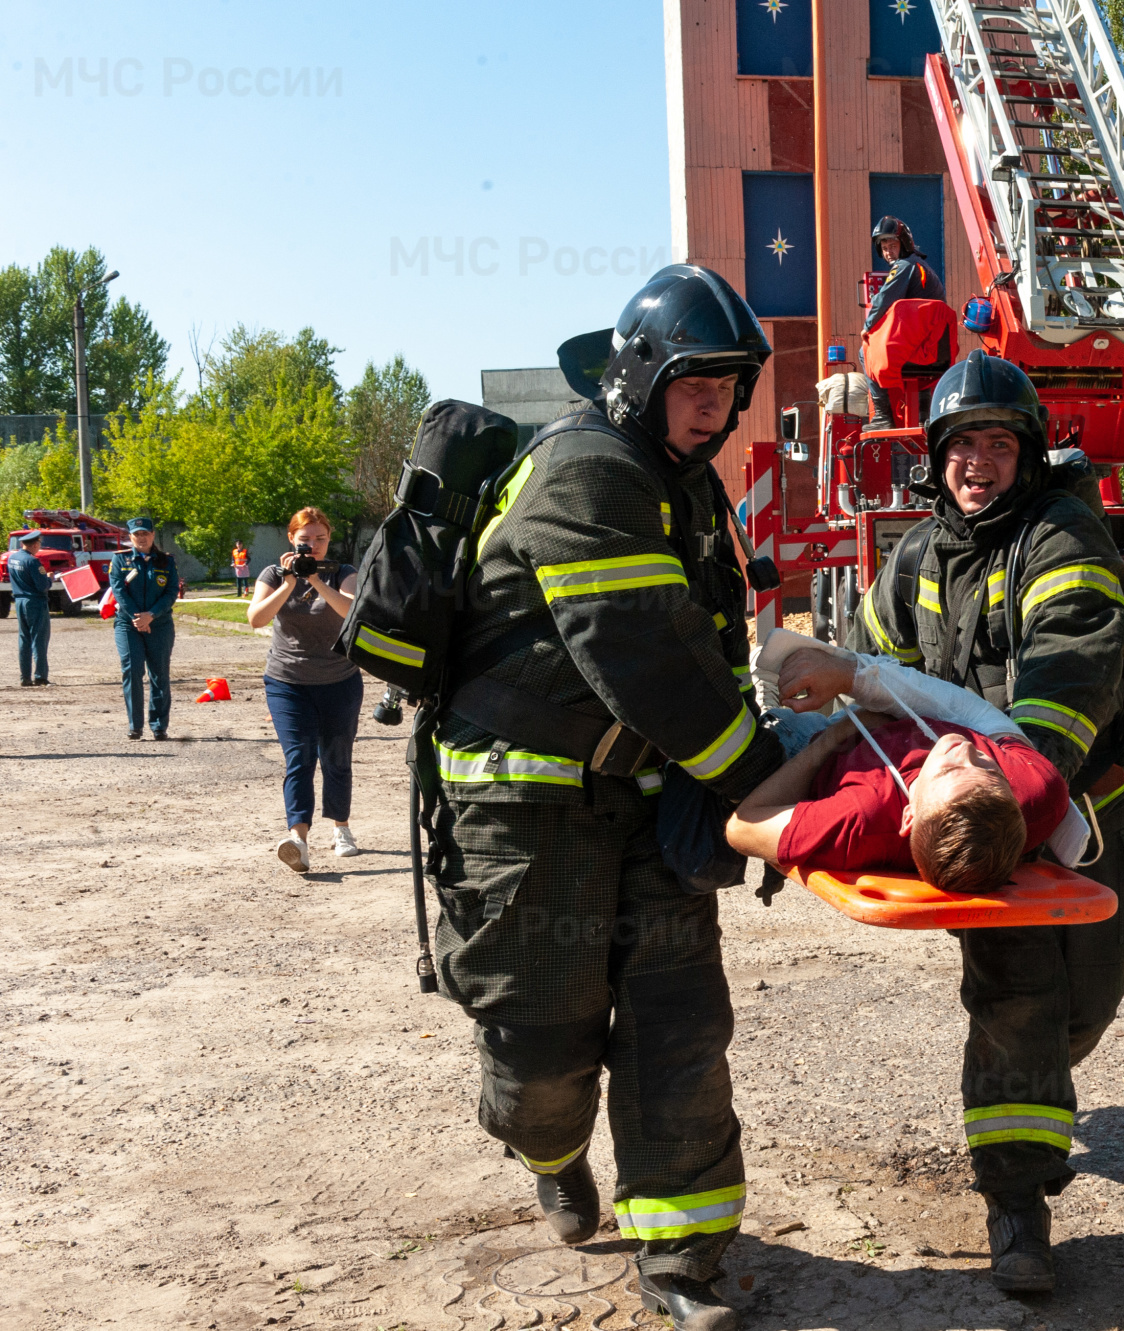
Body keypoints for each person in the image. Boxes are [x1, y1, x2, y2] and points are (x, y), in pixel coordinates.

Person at [429, 264, 785, 1329]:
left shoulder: (688, 486)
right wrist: (763, 781)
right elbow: (641, 653)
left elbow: (711, 648)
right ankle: (551, 1151)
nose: (715, 401)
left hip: (651, 801)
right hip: (524, 807)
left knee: (680, 1028)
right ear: (636, 376)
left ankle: (682, 1261)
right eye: (695, 380)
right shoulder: (584, 470)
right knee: (541, 1051)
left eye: (730, 383)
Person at [784, 348, 1124, 1294]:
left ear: (1027, 453)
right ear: (935, 457)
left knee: (1092, 991)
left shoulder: (1063, 541)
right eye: (959, 445)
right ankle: (1018, 1202)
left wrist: (1017, 790)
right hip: (983, 823)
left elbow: (1066, 688)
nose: (976, 462)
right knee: (1015, 1000)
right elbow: (863, 686)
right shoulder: (916, 557)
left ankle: (1042, 1090)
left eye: (995, 442)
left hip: (1085, 811)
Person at [725, 637, 1071, 890]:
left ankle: (772, 710)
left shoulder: (858, 820)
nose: (965, 748)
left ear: (909, 815)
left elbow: (742, 827)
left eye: (951, 770)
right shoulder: (1037, 790)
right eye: (989, 767)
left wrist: (837, 734)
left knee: (765, 745)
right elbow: (980, 717)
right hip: (902, 719)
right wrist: (850, 675)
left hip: (832, 748)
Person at [246, 507, 363, 873]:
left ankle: (341, 828)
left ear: (329, 539)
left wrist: (316, 581)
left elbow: (352, 612)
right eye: (305, 539)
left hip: (339, 680)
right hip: (287, 682)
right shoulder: (273, 573)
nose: (312, 546)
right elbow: (256, 619)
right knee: (299, 759)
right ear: (291, 539)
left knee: (336, 757)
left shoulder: (344, 573)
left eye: (320, 539)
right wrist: (289, 584)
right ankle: (298, 839)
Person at [861, 214, 945, 430]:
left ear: (904, 244)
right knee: (917, 366)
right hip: (933, 349)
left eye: (893, 245)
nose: (889, 251)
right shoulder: (923, 267)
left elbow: (883, 301)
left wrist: (867, 327)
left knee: (865, 350)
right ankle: (923, 414)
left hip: (915, 347)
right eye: (885, 247)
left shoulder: (904, 267)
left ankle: (882, 416)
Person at [108, 516, 179, 740]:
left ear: (153, 535)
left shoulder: (166, 561)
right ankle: (135, 725)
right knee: (132, 670)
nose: (141, 538)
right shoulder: (120, 560)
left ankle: (159, 726)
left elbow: (171, 592)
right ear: (130, 537)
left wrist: (152, 615)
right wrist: (138, 618)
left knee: (159, 674)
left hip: (159, 624)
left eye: (145, 533)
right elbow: (118, 590)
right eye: (137, 534)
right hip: (128, 624)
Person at [9, 530, 52, 687]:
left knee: (24, 639)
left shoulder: (13, 558)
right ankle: (40, 676)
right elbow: (42, 586)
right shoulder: (33, 561)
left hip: (19, 601)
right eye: (39, 544)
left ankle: (25, 677)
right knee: (39, 639)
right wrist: (49, 579)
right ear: (34, 545)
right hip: (35, 602)